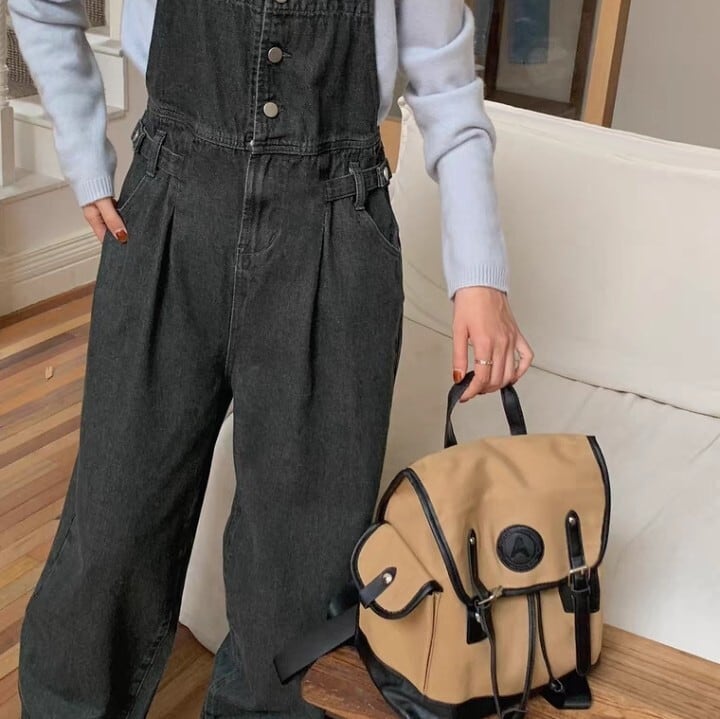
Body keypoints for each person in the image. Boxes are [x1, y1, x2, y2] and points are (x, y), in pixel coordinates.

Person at [8, 0, 534, 716]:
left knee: (298, 564)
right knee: (109, 526)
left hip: (335, 229)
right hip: (170, 208)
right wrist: (81, 153)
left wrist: (479, 277)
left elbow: (446, 91)